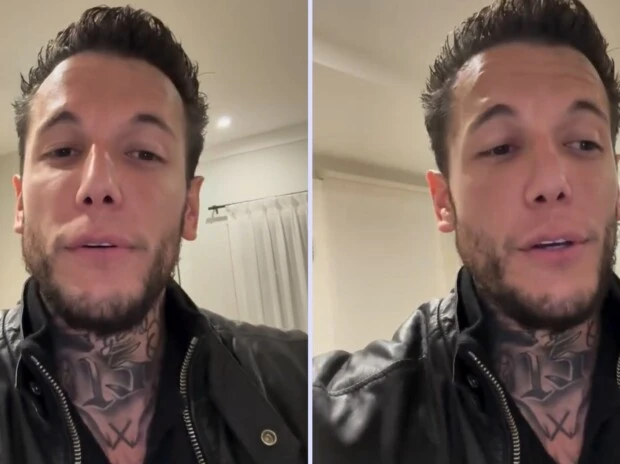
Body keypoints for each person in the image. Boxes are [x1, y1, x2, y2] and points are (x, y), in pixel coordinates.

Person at [313, 0, 620, 463]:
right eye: (501, 148)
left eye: (583, 142)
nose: (552, 182)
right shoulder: (340, 425)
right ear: (444, 201)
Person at [0, 6, 307, 464]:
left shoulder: (300, 382)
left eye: (144, 153)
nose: (98, 186)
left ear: (190, 208)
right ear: (21, 203)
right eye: (63, 150)